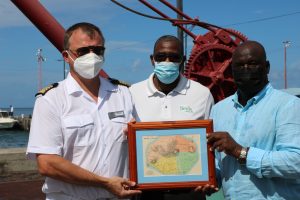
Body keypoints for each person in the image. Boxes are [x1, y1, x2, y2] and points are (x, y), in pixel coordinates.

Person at [27, 22, 141, 200]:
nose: (92, 56)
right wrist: (105, 183)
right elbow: (47, 164)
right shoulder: (51, 99)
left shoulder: (124, 93)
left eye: (98, 50)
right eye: (83, 51)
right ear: (66, 56)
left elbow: (142, 147)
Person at [196, 40, 300, 199]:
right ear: (231, 70)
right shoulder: (219, 110)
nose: (246, 69)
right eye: (239, 65)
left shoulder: (288, 105)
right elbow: (217, 163)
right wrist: (206, 179)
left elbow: (295, 162)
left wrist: (240, 152)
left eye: (252, 64)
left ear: (267, 67)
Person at [129, 35, 214, 200]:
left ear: (182, 60)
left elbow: (211, 141)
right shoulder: (132, 93)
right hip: (146, 192)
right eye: (161, 57)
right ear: (152, 59)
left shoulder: (202, 94)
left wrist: (210, 176)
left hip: (190, 192)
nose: (167, 61)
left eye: (173, 57)